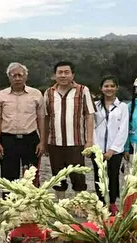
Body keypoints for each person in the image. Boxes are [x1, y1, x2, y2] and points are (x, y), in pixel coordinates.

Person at [45, 61, 95, 199]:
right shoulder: (49, 93)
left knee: (78, 175)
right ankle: (61, 204)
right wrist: (44, 142)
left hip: (76, 142)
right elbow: (45, 118)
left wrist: (89, 140)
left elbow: (89, 115)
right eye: (59, 72)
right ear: (54, 75)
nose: (63, 75)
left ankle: (79, 203)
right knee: (57, 175)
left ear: (73, 74)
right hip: (55, 142)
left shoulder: (83, 90)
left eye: (66, 72)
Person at [0, 62, 45, 192]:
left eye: (20, 75)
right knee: (8, 176)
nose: (17, 78)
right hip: (8, 140)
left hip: (30, 139)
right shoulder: (1, 95)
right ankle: (9, 207)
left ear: (26, 77)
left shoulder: (36, 94)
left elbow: (41, 119)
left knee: (31, 176)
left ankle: (31, 206)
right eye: (14, 75)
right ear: (9, 77)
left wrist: (42, 141)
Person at [92, 75, 128, 215]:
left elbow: (123, 129)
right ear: (101, 88)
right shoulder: (95, 106)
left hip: (115, 150)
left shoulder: (122, 107)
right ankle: (101, 203)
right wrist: (97, 149)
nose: (109, 89)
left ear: (117, 88)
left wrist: (112, 150)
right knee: (99, 176)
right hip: (98, 148)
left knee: (113, 176)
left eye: (112, 86)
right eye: (106, 86)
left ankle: (112, 203)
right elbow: (91, 127)